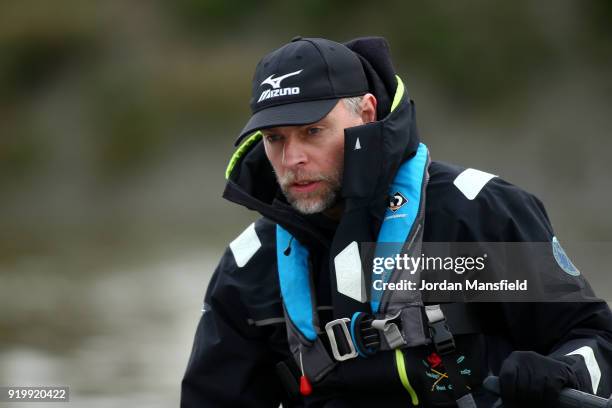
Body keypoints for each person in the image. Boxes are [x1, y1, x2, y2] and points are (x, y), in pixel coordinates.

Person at [181, 36, 612, 407]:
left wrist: (563, 371)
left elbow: (595, 341)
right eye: (276, 139)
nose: (292, 159)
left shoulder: (476, 213)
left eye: (312, 131)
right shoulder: (249, 267)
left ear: (366, 113)